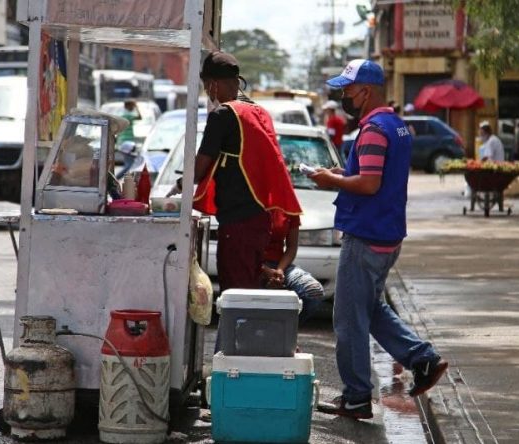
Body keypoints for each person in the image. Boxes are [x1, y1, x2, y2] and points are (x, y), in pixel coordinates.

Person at [309, 59, 448, 420]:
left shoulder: (373, 130)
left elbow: (368, 184)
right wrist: (341, 173)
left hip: (366, 235)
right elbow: (373, 175)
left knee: (348, 319)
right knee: (370, 309)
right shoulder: (396, 126)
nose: (344, 97)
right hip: (387, 234)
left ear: (365, 92)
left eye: (347, 90)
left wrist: (332, 181)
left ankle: (355, 396)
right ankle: (423, 359)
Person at [176, 51, 302, 296]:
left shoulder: (223, 115)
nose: (206, 92)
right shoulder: (258, 112)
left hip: (238, 223)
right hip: (260, 220)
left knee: (235, 295)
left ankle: (237, 336)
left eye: (205, 86)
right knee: (250, 292)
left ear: (213, 84)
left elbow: (200, 168)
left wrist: (179, 185)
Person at [261, 209, 326, 325]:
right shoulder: (249, 199)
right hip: (249, 264)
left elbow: (291, 247)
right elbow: (240, 247)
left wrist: (279, 271)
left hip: (279, 265)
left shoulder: (288, 203)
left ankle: (284, 333)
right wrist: (264, 270)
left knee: (314, 291)